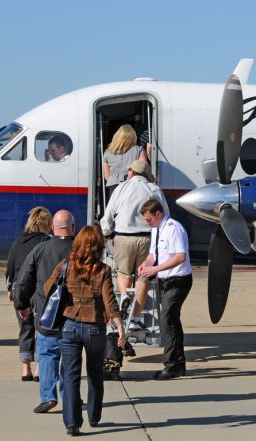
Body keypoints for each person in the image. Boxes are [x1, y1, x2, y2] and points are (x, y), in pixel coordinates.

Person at [45, 226, 126, 436]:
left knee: (70, 375)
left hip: (69, 325)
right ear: (99, 246)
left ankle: (72, 423)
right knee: (94, 373)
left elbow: (48, 288)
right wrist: (120, 328)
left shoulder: (66, 265)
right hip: (94, 327)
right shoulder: (103, 270)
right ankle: (94, 415)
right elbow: (110, 302)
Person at [14, 210, 75, 413]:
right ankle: (70, 397)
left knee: (47, 354)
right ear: (73, 228)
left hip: (46, 313)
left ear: (52, 228)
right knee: (70, 357)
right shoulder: (80, 250)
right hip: (74, 314)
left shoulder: (41, 249)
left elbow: (24, 279)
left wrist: (22, 305)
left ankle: (48, 397)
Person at [100, 159, 169, 331]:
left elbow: (108, 216)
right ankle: (135, 319)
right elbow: (165, 215)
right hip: (147, 238)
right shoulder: (154, 189)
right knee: (143, 277)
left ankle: (123, 295)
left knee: (123, 272)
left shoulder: (120, 188)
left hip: (123, 237)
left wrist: (107, 233)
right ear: (146, 174)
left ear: (131, 172)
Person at [138, 199, 193, 380]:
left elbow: (180, 256)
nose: (147, 223)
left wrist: (155, 269)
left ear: (158, 214)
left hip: (178, 280)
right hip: (165, 280)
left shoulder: (173, 228)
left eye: (149, 220)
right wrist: (146, 264)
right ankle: (178, 363)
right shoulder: (157, 229)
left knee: (166, 319)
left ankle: (172, 364)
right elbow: (153, 254)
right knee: (171, 320)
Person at [5, 206, 52, 381]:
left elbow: (10, 266)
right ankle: (40, 367)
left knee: (25, 328)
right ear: (46, 223)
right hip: (39, 290)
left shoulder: (19, 241)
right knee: (42, 328)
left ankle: (26, 368)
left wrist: (11, 289)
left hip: (19, 288)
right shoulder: (46, 242)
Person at [102, 124, 147, 198]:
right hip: (132, 185)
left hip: (114, 186)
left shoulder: (107, 152)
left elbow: (107, 176)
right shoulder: (139, 149)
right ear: (132, 136)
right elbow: (142, 169)